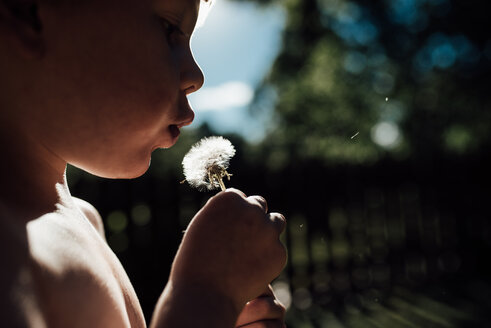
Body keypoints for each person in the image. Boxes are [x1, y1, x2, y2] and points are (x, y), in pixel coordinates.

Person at [0, 0, 287, 327]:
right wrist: (206, 293)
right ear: (27, 12)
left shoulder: (87, 220)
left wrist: (216, 314)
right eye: (170, 30)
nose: (197, 76)